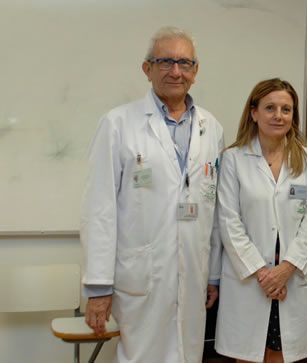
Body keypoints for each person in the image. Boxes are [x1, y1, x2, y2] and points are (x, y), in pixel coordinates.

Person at [80, 26, 224, 363]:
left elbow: (213, 207)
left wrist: (213, 273)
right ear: (147, 69)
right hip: (140, 273)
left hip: (193, 271)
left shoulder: (211, 127)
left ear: (195, 71)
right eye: (165, 61)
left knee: (188, 354)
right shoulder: (118, 123)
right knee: (141, 355)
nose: (176, 71)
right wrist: (99, 287)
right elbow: (98, 209)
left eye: (185, 63)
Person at [215, 78, 307, 363]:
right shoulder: (233, 159)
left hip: (293, 277)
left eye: (286, 109)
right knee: (248, 355)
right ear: (254, 113)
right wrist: (264, 274)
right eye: (270, 108)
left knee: (283, 353)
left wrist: (286, 269)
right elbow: (229, 221)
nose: (278, 115)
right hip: (252, 278)